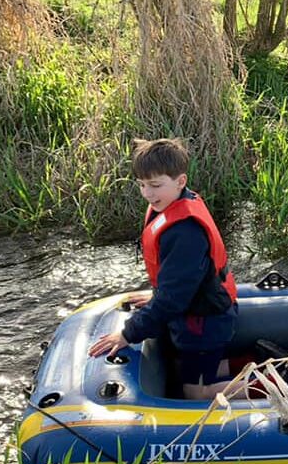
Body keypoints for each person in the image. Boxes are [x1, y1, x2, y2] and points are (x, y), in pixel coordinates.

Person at [88, 138, 238, 400]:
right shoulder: (170, 206)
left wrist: (127, 334)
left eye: (155, 185)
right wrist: (157, 294)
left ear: (180, 181)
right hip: (204, 308)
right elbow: (178, 282)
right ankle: (251, 365)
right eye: (142, 185)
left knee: (196, 393)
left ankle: (275, 383)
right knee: (198, 371)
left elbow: (174, 298)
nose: (147, 193)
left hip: (205, 321)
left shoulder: (185, 232)